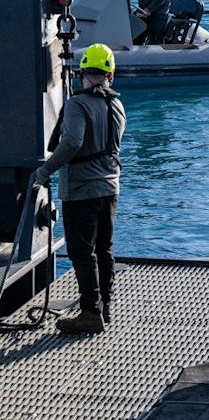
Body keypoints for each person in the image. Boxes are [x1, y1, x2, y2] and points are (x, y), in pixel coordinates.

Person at [35, 43, 127, 333]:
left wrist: (45, 170)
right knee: (104, 249)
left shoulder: (77, 103)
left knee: (81, 251)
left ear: (83, 72)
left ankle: (90, 312)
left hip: (82, 189)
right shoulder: (117, 104)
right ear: (110, 73)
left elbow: (73, 142)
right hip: (110, 188)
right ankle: (105, 307)